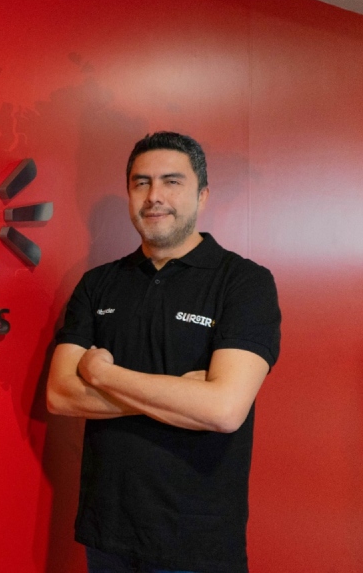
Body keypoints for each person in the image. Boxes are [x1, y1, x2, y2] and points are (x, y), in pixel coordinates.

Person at [46, 131, 281, 573]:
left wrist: (102, 375)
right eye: (142, 182)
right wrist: (181, 395)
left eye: (172, 181)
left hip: (197, 542)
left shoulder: (244, 283)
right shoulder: (98, 284)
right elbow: (59, 394)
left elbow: (224, 410)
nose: (154, 196)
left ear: (202, 195)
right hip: (108, 532)